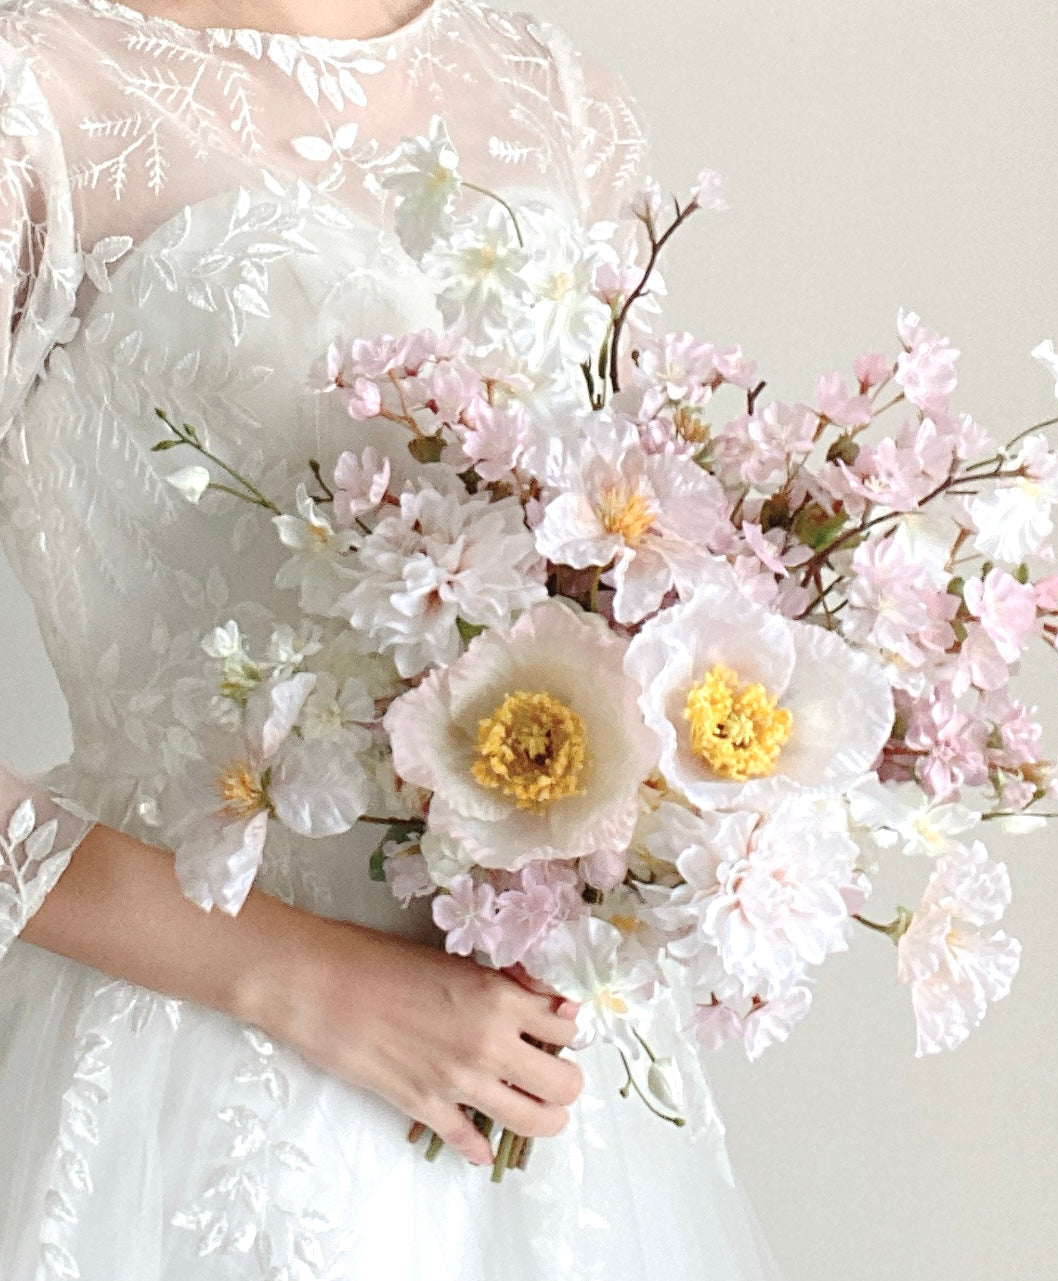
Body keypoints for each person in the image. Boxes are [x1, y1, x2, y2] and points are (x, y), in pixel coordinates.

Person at [0, 0, 786, 1275]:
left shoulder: (562, 102)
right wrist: (302, 978)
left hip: (549, 1100)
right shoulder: (37, 98)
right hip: (185, 1084)